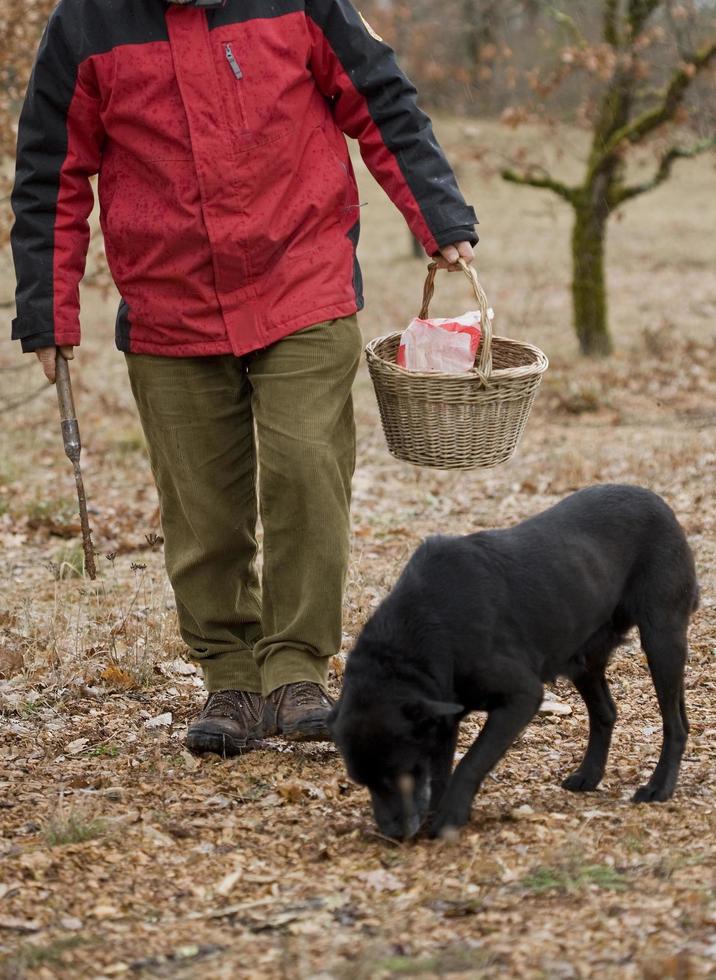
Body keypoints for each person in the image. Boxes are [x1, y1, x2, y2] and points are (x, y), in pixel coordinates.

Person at [11, 0, 478, 755]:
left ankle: (296, 666)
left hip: (302, 278)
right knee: (202, 509)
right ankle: (230, 677)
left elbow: (378, 93)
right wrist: (47, 311)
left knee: (302, 465)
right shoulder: (85, 23)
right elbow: (49, 169)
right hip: (169, 303)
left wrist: (440, 217)